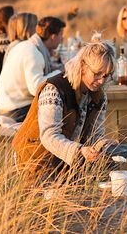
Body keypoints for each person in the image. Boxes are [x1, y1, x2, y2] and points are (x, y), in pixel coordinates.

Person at [12, 40, 116, 180]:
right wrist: (79, 150)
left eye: (106, 75)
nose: (102, 81)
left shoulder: (98, 96)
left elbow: (95, 135)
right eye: (97, 73)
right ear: (83, 66)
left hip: (63, 164)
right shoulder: (54, 89)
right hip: (34, 160)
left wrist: (104, 145)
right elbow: (49, 136)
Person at [0, 16, 66, 122]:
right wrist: (60, 72)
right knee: (62, 110)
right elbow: (36, 87)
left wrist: (54, 69)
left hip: (7, 106)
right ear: (53, 36)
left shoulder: (27, 45)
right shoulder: (33, 53)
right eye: (61, 35)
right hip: (15, 111)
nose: (62, 39)